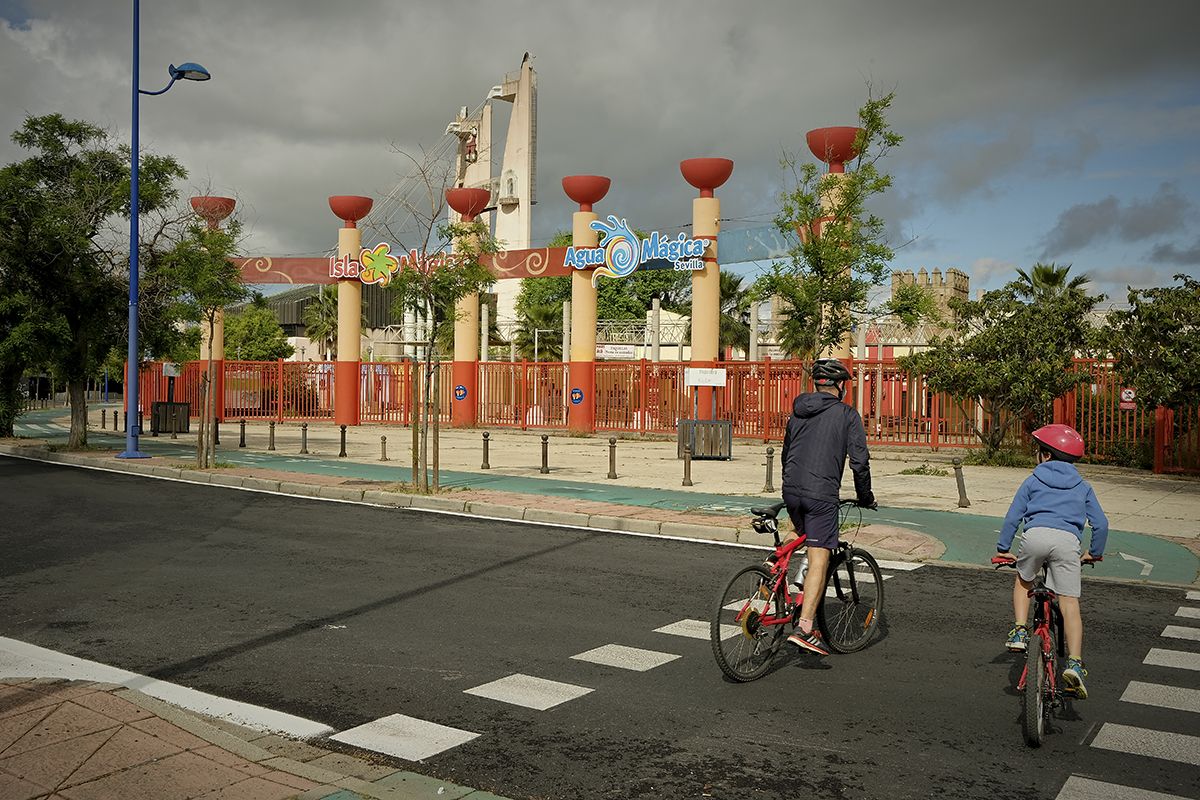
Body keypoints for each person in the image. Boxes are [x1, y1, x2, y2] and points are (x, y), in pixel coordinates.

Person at [995, 423, 1108, 699]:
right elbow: (1101, 524)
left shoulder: (1032, 480)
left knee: (1024, 580)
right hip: (1067, 543)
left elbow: (1013, 517)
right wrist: (1093, 551)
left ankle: (1021, 631)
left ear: (1045, 455)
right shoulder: (1083, 486)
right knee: (1069, 603)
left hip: (1034, 538)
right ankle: (1075, 664)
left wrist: (1003, 548)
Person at [780, 357, 875, 656]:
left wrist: (792, 483)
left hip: (791, 489)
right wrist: (865, 496)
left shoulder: (797, 411)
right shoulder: (847, 415)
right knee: (819, 556)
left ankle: (770, 578)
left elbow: (785, 453)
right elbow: (859, 462)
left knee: (796, 531)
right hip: (820, 494)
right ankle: (806, 626)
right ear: (841, 386)